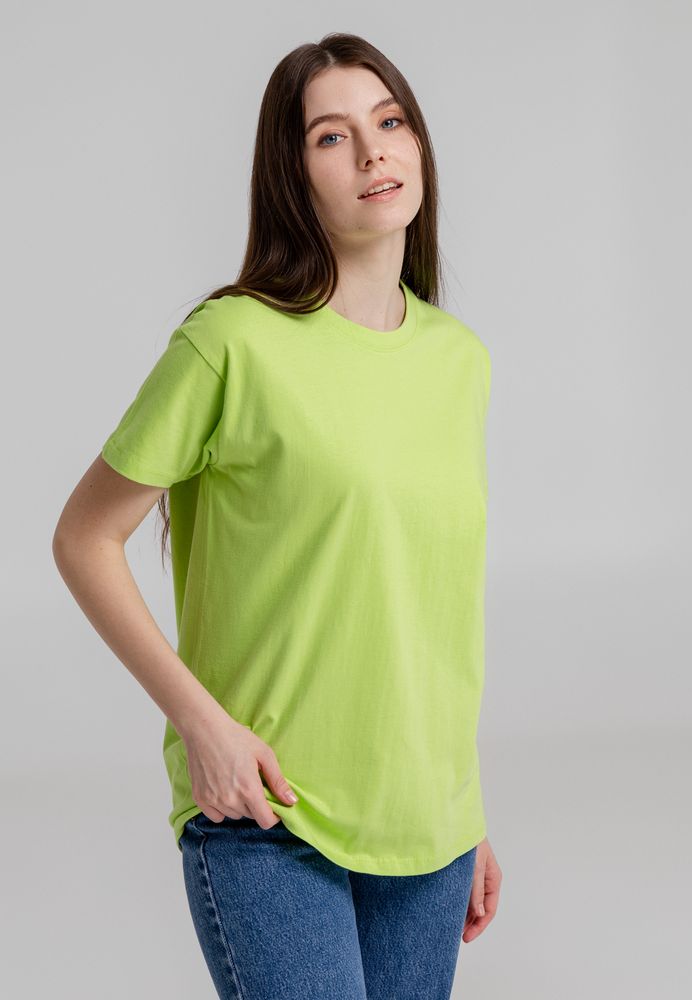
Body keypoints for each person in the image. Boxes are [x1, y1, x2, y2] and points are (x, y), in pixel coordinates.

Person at [52, 31, 502, 1000]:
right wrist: (200, 724)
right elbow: (85, 536)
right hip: (268, 817)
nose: (373, 151)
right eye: (332, 136)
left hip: (428, 830)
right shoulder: (232, 342)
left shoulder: (458, 361)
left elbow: (427, 609)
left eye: (390, 122)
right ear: (292, 176)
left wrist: (466, 814)